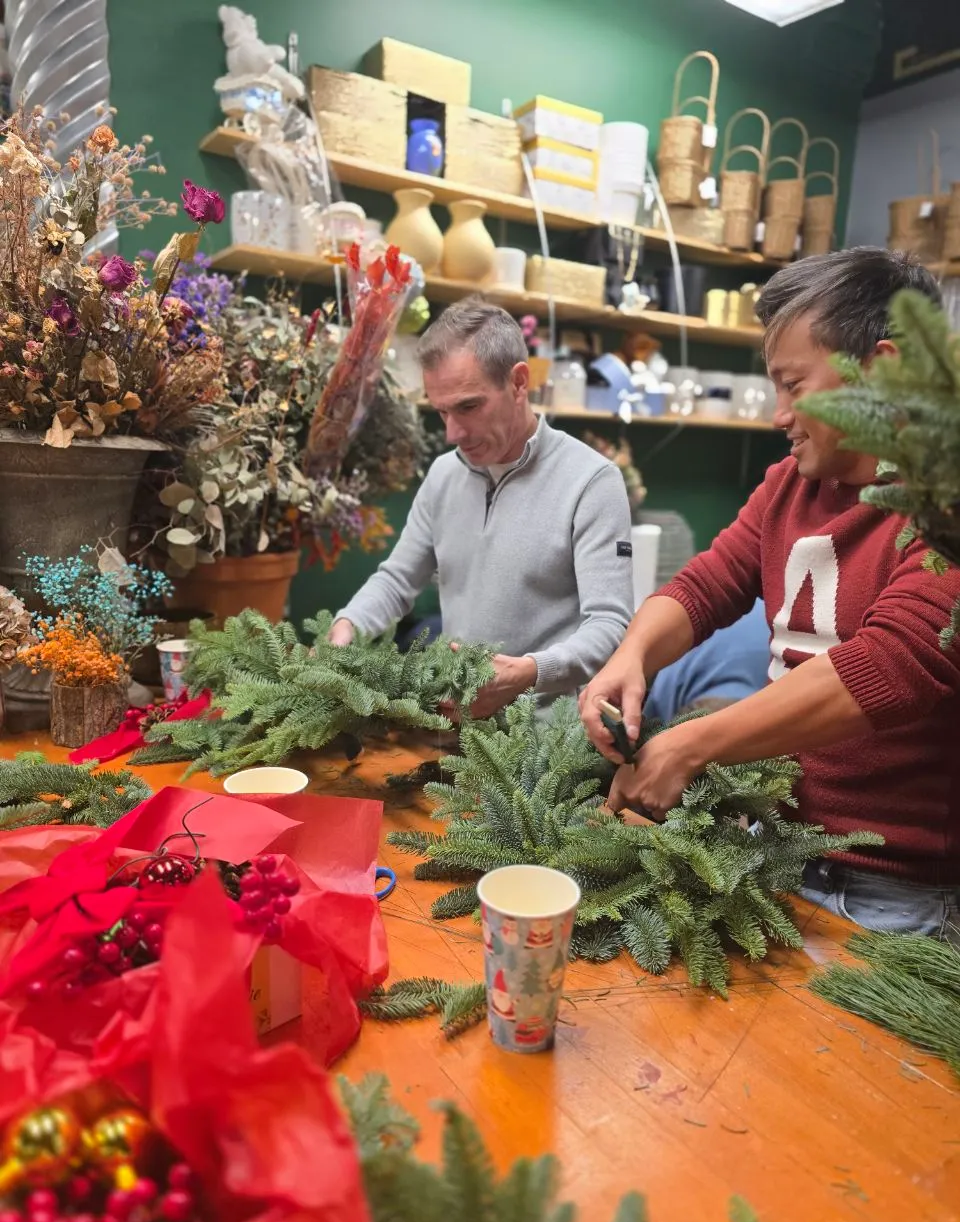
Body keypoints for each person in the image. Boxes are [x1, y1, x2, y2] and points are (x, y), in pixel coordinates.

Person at [580, 247, 960, 938]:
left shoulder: (944, 506)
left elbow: (886, 667)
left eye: (794, 385)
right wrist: (631, 656)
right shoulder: (790, 484)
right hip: (773, 855)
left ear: (880, 369)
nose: (778, 414)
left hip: (889, 900)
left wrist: (694, 745)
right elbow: (706, 584)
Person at [328, 299, 634, 717]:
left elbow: (611, 627)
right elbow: (397, 581)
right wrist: (345, 629)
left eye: (469, 406)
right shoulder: (442, 476)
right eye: (441, 412)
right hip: (457, 730)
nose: (453, 432)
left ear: (519, 382)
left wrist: (528, 672)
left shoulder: (592, 481)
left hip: (549, 749)